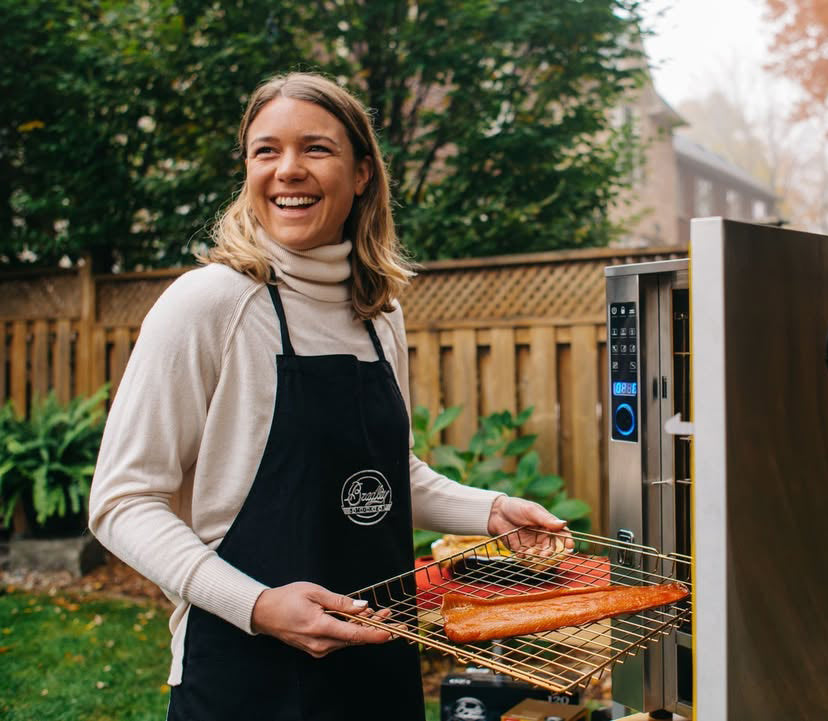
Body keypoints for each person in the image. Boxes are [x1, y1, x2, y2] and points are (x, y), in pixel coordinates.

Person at [88, 72, 568, 721]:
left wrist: (493, 509)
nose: (288, 170)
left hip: (379, 668)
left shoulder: (378, 311)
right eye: (267, 150)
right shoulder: (208, 306)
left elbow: (384, 477)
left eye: (315, 148)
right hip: (244, 679)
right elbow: (121, 502)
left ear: (363, 172)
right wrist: (258, 605)